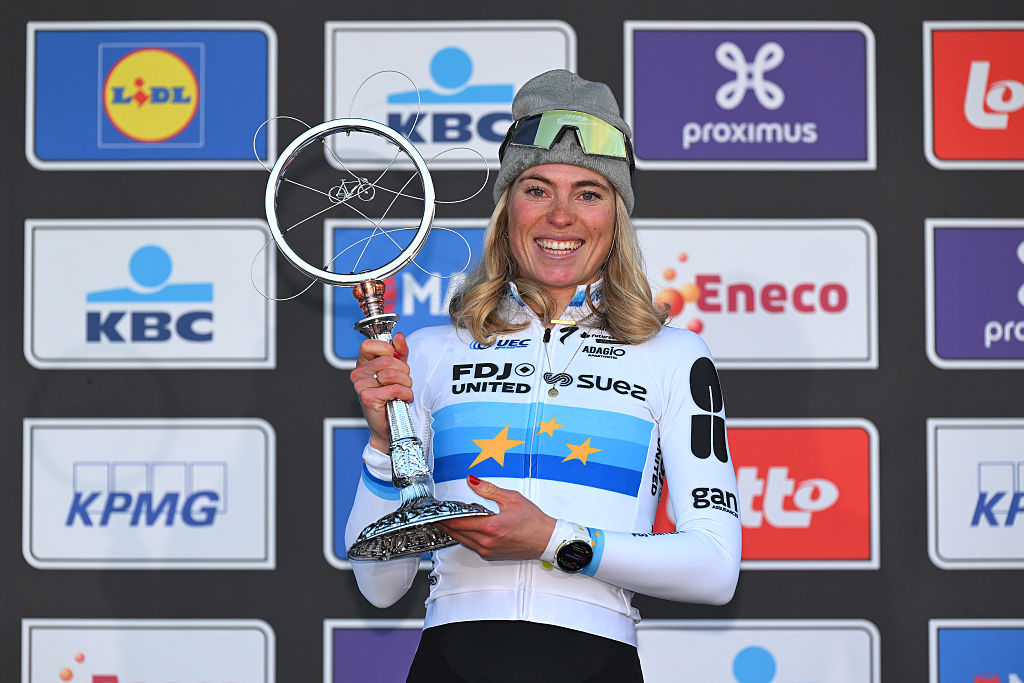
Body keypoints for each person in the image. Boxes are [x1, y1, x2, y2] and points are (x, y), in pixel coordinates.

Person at [346, 69, 741, 682]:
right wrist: (380, 447)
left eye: (589, 193)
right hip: (449, 659)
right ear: (507, 208)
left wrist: (554, 540)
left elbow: (715, 568)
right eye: (537, 189)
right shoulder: (428, 351)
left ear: (616, 216)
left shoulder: (671, 354)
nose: (562, 216)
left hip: (598, 660)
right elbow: (378, 585)